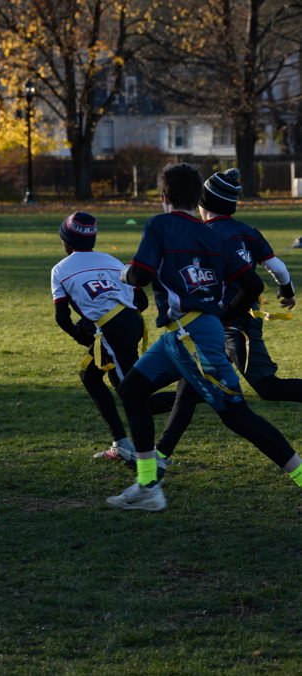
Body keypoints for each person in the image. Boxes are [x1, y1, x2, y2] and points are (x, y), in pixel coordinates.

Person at [107, 163, 302, 511]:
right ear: (197, 196)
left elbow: (140, 276)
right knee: (131, 391)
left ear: (164, 196)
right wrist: (222, 315)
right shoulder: (213, 236)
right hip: (179, 335)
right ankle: (148, 483)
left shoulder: (160, 224)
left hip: (193, 336)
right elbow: (253, 284)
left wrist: (122, 272)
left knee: (238, 417)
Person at [155, 167, 302, 466]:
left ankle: (153, 443)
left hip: (229, 325)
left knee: (267, 387)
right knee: (190, 386)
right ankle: (159, 454)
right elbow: (278, 269)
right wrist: (287, 291)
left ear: (203, 202)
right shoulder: (249, 231)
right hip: (235, 321)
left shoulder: (199, 234)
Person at [51, 211, 175, 466]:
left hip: (112, 330)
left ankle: (193, 395)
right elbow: (141, 300)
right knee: (90, 376)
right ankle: (121, 443)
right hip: (129, 322)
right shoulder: (112, 260)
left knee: (133, 396)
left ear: (66, 241)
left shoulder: (60, 269)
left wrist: (80, 334)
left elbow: (62, 318)